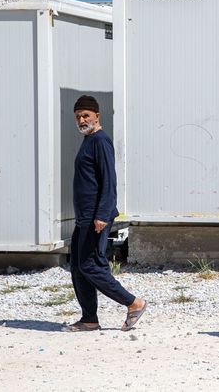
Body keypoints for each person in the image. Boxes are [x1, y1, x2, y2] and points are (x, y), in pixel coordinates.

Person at [63, 95, 147, 332]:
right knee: (79, 266)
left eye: (86, 115)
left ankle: (134, 303)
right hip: (84, 218)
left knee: (91, 266)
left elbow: (109, 181)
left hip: (95, 217)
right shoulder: (88, 140)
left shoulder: (100, 140)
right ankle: (89, 319)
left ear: (97, 116)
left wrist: (102, 214)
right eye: (78, 116)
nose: (81, 119)